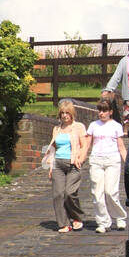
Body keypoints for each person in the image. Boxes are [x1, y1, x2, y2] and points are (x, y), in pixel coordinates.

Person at [85, 98, 127, 233]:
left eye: (104, 111)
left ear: (110, 112)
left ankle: (120, 217)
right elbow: (87, 144)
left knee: (110, 191)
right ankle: (103, 222)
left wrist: (127, 161)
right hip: (96, 160)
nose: (101, 113)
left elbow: (121, 147)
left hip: (112, 160)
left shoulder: (116, 126)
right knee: (97, 193)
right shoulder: (93, 125)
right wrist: (81, 156)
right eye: (99, 111)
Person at [48, 99, 87, 233]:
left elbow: (84, 145)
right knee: (58, 194)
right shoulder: (57, 129)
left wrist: (80, 159)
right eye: (62, 113)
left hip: (72, 164)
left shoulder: (79, 127)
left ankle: (77, 217)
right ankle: (63, 223)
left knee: (69, 193)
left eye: (67, 113)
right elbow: (53, 148)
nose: (65, 115)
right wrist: (50, 166)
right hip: (58, 163)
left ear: (72, 114)